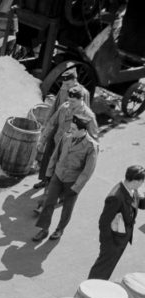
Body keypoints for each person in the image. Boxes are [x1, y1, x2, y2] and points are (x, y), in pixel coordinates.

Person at [33, 114, 98, 242]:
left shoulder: (91, 146)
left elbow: (88, 171)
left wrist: (76, 187)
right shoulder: (66, 136)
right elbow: (55, 155)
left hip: (72, 181)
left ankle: (59, 229)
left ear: (83, 130)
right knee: (49, 202)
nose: (71, 130)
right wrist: (48, 173)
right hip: (58, 175)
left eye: (74, 129)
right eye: (71, 127)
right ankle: (44, 229)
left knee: (67, 208)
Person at [34, 85, 97, 190]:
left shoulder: (88, 116)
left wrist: (85, 156)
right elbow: (52, 123)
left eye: (73, 102)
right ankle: (46, 182)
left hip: (72, 150)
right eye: (69, 100)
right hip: (57, 143)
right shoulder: (64, 107)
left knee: (65, 175)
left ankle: (61, 194)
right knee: (50, 165)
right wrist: (42, 140)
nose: (70, 104)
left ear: (81, 100)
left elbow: (94, 140)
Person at [88, 165, 145, 280]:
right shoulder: (115, 197)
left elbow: (141, 203)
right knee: (102, 268)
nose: (142, 184)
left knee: (108, 267)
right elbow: (103, 222)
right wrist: (109, 244)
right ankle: (90, 290)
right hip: (113, 241)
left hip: (121, 238)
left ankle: (99, 286)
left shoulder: (131, 189)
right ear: (135, 181)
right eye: (142, 181)